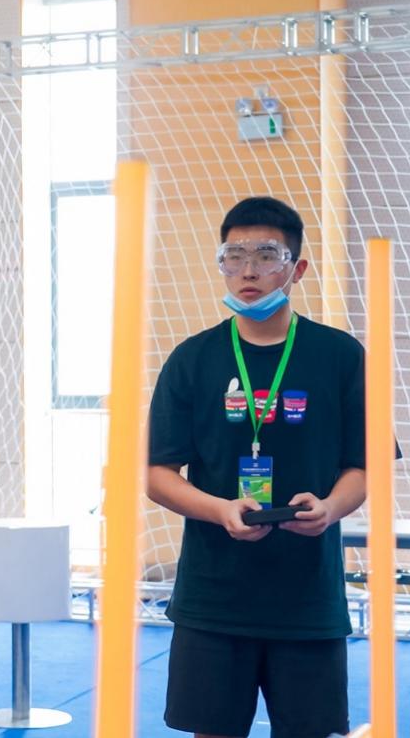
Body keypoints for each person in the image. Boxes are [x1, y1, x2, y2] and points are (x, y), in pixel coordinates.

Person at [147, 196, 379, 738]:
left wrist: (330, 508)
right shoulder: (192, 358)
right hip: (213, 597)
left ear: (297, 268)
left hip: (308, 599)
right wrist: (220, 509)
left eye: (266, 255)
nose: (248, 271)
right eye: (234, 256)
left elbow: (364, 466)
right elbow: (156, 475)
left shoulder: (340, 355)